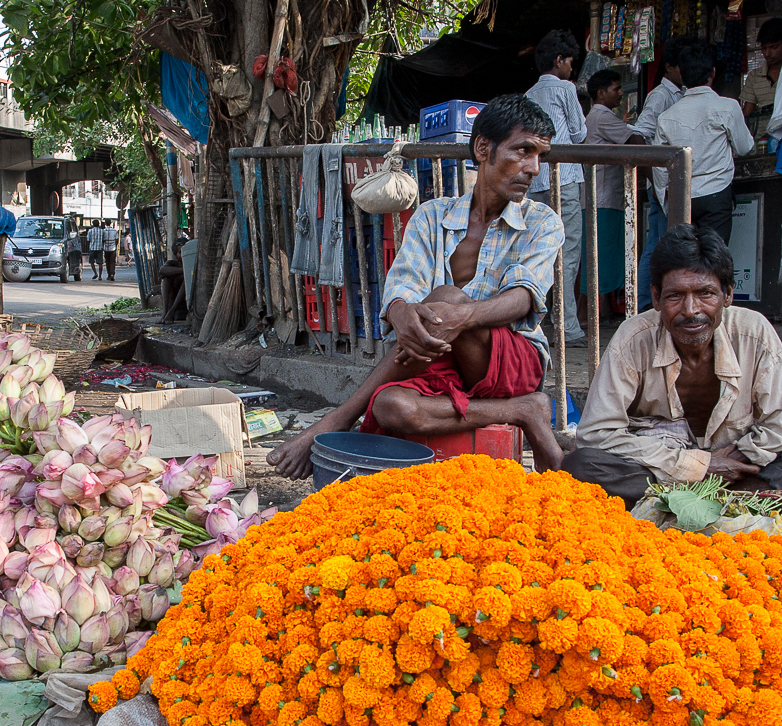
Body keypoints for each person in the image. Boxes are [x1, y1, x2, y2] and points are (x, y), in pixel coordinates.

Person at [267, 93, 568, 478]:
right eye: (523, 151)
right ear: (482, 148)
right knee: (391, 406)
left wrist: (460, 316)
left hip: (510, 361)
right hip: (441, 356)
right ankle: (524, 409)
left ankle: (336, 418)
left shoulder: (543, 221)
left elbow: (523, 298)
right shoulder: (433, 215)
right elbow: (402, 286)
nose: (533, 168)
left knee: (444, 299)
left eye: (539, 156)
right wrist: (403, 314)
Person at [563, 225, 782, 506]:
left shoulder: (754, 333)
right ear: (656, 298)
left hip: (734, 468)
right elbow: (596, 434)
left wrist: (733, 460)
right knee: (582, 466)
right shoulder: (633, 339)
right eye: (675, 296)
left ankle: (683, 501)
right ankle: (737, 500)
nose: (691, 310)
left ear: (728, 295)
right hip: (662, 470)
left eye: (705, 293)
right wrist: (698, 466)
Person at [524, 29, 589, 347]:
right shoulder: (565, 89)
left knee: (539, 251)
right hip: (564, 179)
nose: (572, 68)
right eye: (570, 61)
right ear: (559, 60)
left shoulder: (528, 95)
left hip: (536, 180)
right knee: (568, 252)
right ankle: (568, 327)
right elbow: (579, 134)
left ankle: (535, 322)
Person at [656, 40, 753, 243]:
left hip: (681, 199)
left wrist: (667, 202)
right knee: (714, 259)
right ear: (713, 73)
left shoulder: (666, 117)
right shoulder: (728, 107)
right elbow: (745, 148)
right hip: (716, 193)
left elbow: (660, 168)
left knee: (684, 260)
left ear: (682, 75)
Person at [633, 39, 690, 311]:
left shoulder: (680, 94)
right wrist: (652, 173)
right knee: (655, 245)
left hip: (669, 180)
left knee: (660, 242)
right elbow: (639, 134)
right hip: (663, 181)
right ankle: (645, 304)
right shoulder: (660, 96)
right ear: (669, 67)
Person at [584, 68, 649, 304]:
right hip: (604, 196)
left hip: (601, 195)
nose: (621, 93)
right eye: (616, 88)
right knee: (603, 255)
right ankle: (594, 312)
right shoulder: (602, 117)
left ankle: (597, 311)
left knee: (598, 255)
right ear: (601, 93)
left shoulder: (597, 116)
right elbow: (635, 140)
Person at [740, 18, 782, 119]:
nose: (767, 53)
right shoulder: (754, 77)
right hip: (761, 134)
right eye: (764, 48)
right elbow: (748, 113)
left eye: (774, 47)